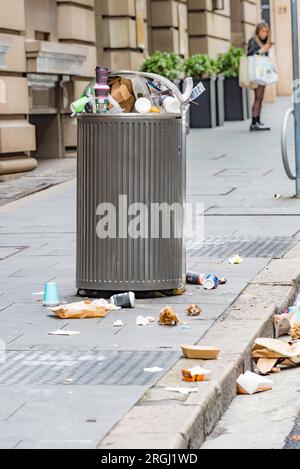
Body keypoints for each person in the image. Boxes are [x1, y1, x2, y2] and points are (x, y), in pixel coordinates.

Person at [247, 22, 273, 131]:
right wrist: (261, 51)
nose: (264, 34)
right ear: (258, 31)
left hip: (262, 73)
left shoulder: (264, 42)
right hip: (256, 73)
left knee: (261, 97)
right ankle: (254, 122)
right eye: (262, 31)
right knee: (258, 97)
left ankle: (257, 120)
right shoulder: (253, 41)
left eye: (266, 32)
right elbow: (250, 54)